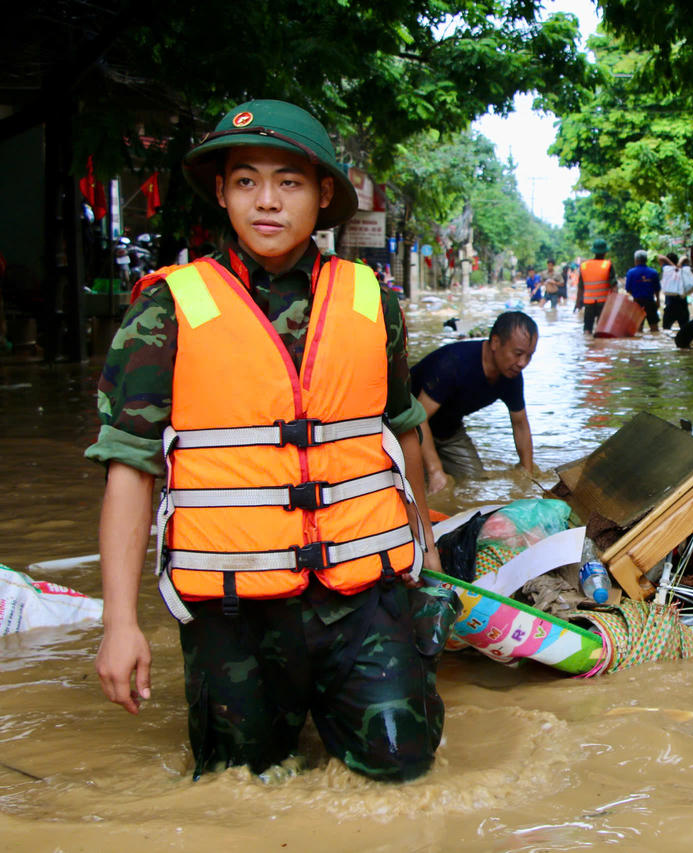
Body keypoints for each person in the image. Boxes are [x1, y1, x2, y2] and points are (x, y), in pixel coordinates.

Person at [86, 99, 455, 783]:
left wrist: (426, 559)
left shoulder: (374, 299)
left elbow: (403, 429)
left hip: (364, 595)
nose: (267, 201)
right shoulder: (166, 306)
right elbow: (129, 470)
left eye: (288, 182)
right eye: (246, 180)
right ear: (223, 193)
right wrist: (119, 622)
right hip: (232, 608)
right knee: (240, 786)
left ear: (322, 195)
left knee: (403, 768)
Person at [411, 312, 537, 493]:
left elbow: (520, 424)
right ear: (495, 342)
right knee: (417, 486)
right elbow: (417, 418)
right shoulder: (453, 364)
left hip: (449, 431)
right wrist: (435, 471)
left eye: (529, 356)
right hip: (407, 427)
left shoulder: (511, 375)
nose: (522, 363)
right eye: (517, 354)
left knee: (476, 484)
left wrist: (527, 474)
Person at [579, 239, 614, 334]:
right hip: (603, 302)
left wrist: (578, 303)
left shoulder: (584, 266)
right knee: (602, 328)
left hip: (588, 302)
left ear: (593, 251)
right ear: (606, 252)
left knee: (587, 328)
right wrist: (615, 303)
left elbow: (580, 287)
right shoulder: (608, 265)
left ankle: (588, 345)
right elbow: (613, 286)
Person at [625, 250, 661, 332]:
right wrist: (658, 301)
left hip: (637, 303)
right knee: (654, 327)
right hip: (650, 302)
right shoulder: (653, 272)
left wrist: (634, 295)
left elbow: (628, 289)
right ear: (646, 260)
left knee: (638, 328)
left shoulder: (631, 273)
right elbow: (657, 289)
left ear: (636, 260)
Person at [659, 251, 693, 331]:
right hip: (683, 306)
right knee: (685, 331)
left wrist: (673, 265)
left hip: (670, 306)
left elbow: (661, 257)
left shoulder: (667, 269)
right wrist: (678, 264)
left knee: (666, 331)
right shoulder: (683, 269)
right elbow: (685, 258)